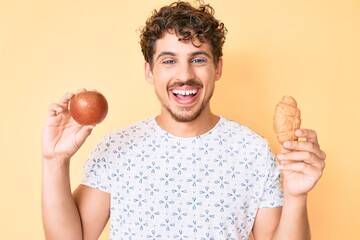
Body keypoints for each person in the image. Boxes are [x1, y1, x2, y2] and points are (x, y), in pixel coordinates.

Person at [41, 1, 326, 239]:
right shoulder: (117, 148)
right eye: (168, 60)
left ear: (218, 68)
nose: (185, 75)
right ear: (149, 72)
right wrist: (55, 161)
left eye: (198, 59)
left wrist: (296, 197)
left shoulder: (253, 151)